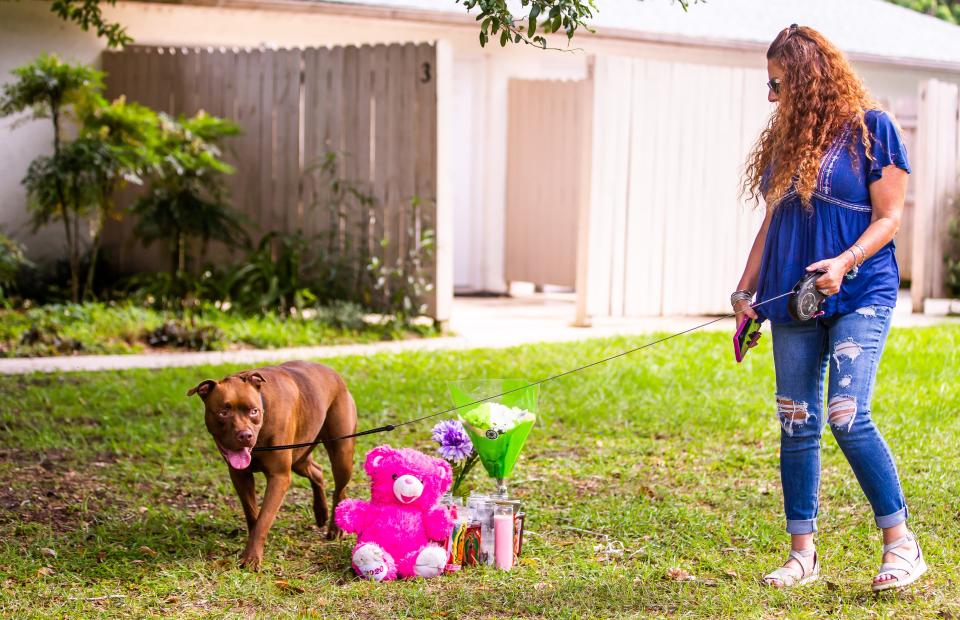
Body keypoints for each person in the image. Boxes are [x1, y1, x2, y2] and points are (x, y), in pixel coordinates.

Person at [733, 24, 926, 591]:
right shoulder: (787, 142)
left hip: (860, 291)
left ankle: (902, 545)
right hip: (795, 297)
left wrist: (843, 262)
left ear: (808, 77)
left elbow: (889, 218)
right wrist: (746, 296)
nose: (771, 96)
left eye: (778, 83)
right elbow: (772, 224)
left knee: (846, 412)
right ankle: (803, 555)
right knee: (797, 421)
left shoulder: (874, 130)